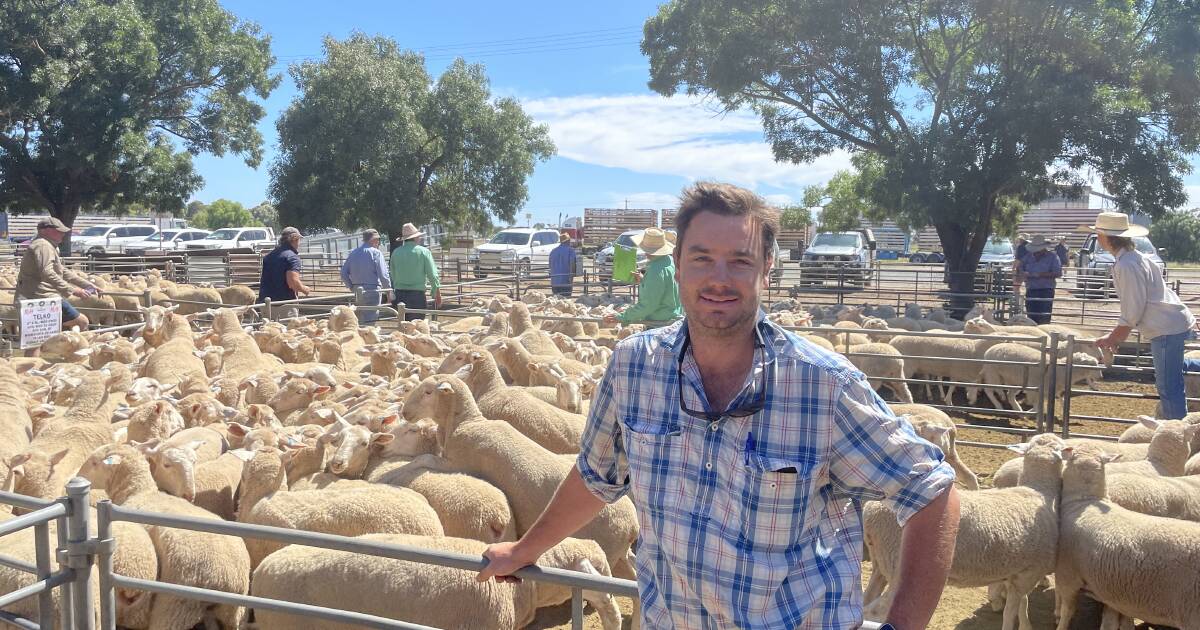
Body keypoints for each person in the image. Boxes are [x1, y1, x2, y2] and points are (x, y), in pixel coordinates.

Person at [479, 182, 960, 629]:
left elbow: (932, 490)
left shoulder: (822, 386)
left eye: (740, 260)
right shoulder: (633, 367)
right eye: (703, 258)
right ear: (679, 265)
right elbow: (596, 475)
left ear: (767, 269)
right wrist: (524, 550)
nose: (719, 278)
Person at [1093, 212, 1199, 419]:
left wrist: (1115, 337)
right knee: (1173, 368)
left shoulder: (1127, 264)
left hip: (1165, 327)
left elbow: (1133, 308)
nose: (1098, 238)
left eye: (1098, 234)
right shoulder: (1137, 258)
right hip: (1171, 321)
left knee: (1168, 384)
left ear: (1105, 237)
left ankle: (1175, 433)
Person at [16, 217, 95, 342]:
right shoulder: (43, 245)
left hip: (35, 297)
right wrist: (73, 290)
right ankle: (75, 354)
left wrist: (86, 284)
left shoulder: (46, 245)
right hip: (43, 298)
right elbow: (47, 272)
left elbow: (61, 270)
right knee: (82, 322)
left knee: (36, 342)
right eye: (59, 231)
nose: (63, 234)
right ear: (45, 230)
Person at [602, 227, 683, 326]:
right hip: (674, 319)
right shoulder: (669, 261)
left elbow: (648, 305)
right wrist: (644, 280)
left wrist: (622, 317)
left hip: (660, 324)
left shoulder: (655, 270)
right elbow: (664, 288)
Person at [389, 222, 441, 321]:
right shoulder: (424, 252)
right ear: (415, 238)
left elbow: (393, 274)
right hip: (417, 296)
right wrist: (436, 293)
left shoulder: (396, 253)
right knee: (417, 327)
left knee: (403, 327)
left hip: (400, 295)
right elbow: (433, 275)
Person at [340, 229, 391, 324]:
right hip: (372, 290)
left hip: (357, 290)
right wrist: (389, 292)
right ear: (373, 240)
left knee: (359, 319)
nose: (378, 242)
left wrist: (351, 286)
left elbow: (343, 273)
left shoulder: (353, 253)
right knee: (370, 321)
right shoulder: (376, 253)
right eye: (377, 240)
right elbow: (383, 275)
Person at [258, 227, 311, 313]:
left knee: (269, 326)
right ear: (294, 239)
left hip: (266, 304)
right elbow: (292, 282)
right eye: (298, 240)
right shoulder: (292, 257)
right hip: (284, 305)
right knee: (289, 326)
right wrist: (304, 289)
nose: (299, 243)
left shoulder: (269, 256)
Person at [1017, 234, 1062, 324]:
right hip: (1031, 289)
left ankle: (1044, 335)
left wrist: (1040, 275)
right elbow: (1020, 267)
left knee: (1044, 316)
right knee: (1031, 315)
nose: (1035, 252)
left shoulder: (1052, 257)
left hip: (1046, 290)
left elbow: (1058, 273)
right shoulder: (1028, 257)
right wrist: (1022, 273)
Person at [548, 232, 580, 297]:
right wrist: (571, 277)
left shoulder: (553, 251)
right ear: (568, 241)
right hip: (566, 281)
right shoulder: (570, 251)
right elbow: (572, 264)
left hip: (555, 282)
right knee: (566, 302)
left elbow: (550, 265)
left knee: (556, 302)